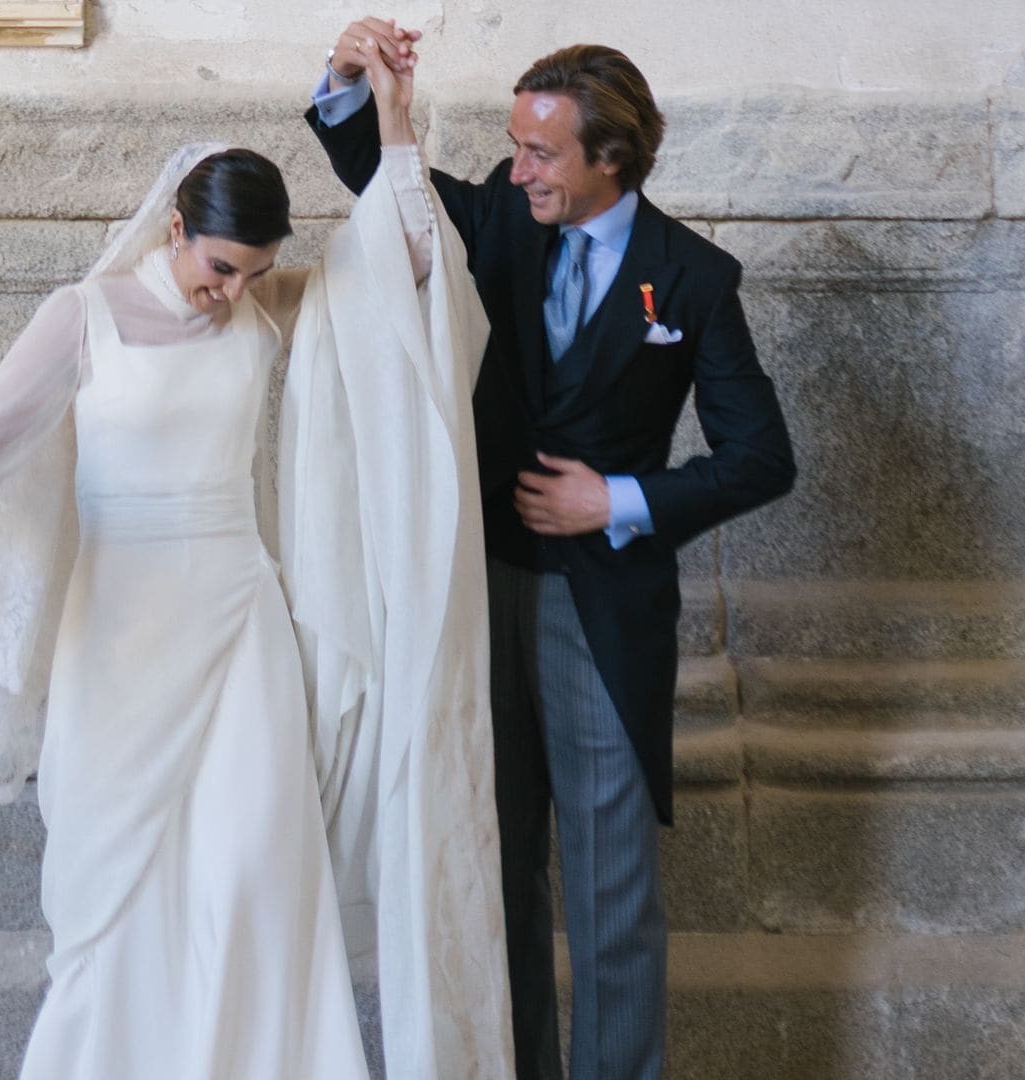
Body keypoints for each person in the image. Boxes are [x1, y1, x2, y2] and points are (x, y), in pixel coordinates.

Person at [0, 46, 512, 1080]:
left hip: (238, 621)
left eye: (250, 272)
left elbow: (410, 269)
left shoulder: (266, 307)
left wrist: (391, 115)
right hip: (116, 632)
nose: (230, 292)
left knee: (254, 867)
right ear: (174, 230)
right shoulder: (85, 316)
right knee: (110, 889)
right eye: (217, 269)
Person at [309, 25, 797, 1080]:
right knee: (495, 876)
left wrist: (615, 497)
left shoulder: (696, 280)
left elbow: (762, 458)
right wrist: (354, 84)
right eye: (515, 146)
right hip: (478, 594)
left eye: (541, 152)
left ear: (609, 159)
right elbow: (378, 180)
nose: (518, 166)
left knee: (610, 894)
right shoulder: (499, 213)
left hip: (604, 611)